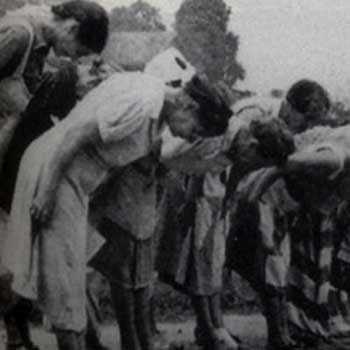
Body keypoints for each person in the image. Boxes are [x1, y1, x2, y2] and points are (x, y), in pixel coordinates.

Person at [1, 72, 231, 350]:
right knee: (63, 285)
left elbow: (108, 163)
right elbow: (76, 134)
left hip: (73, 182)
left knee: (48, 277)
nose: (187, 136)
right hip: (55, 171)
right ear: (189, 106)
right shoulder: (143, 103)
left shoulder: (156, 112)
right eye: (195, 131)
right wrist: (47, 191)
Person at [226, 79, 335, 349]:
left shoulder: (301, 134)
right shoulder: (250, 114)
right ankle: (275, 333)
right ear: (288, 106)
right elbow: (236, 169)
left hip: (273, 197)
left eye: (315, 122)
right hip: (240, 193)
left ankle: (283, 329)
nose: (309, 127)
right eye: (306, 119)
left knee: (276, 261)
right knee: (264, 259)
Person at [0, 0, 109, 173]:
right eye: (79, 52)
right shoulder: (19, 35)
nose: (73, 59)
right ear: (72, 28)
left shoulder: (40, 41)